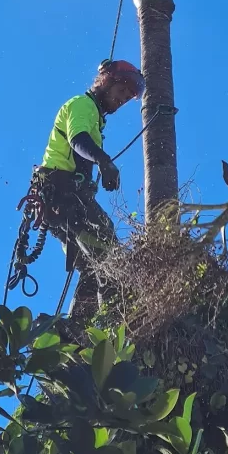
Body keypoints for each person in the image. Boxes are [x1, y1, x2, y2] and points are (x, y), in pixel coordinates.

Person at [28, 59, 145, 311]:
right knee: (109, 250)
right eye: (121, 91)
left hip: (61, 201)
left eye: (127, 97)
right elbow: (77, 139)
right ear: (106, 81)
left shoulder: (95, 118)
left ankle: (77, 332)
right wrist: (104, 161)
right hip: (61, 194)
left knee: (92, 268)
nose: (123, 99)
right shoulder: (82, 105)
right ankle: (115, 317)